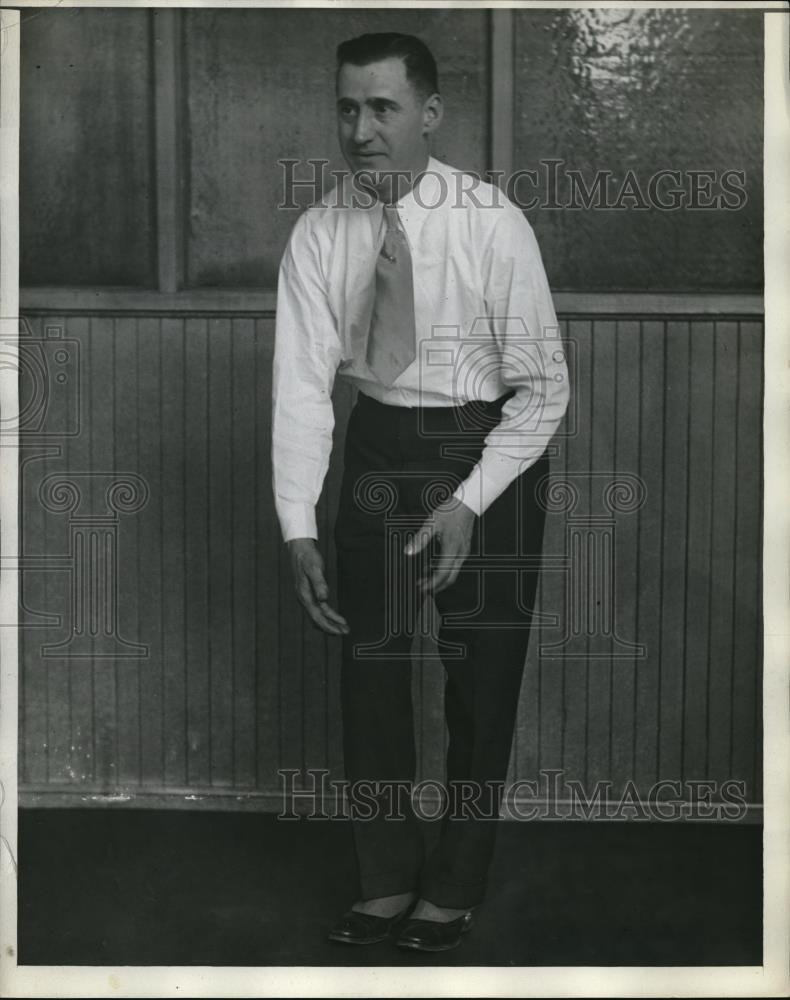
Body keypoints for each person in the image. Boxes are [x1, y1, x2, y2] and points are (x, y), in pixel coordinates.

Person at [272, 32, 569, 952]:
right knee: (373, 673)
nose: (360, 129)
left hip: (489, 451)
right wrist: (297, 525)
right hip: (378, 447)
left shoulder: (491, 223)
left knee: (480, 682)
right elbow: (300, 384)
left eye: (383, 108)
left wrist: (469, 501)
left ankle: (455, 883)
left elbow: (545, 387)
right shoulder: (320, 230)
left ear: (430, 115)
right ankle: (387, 877)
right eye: (348, 109)